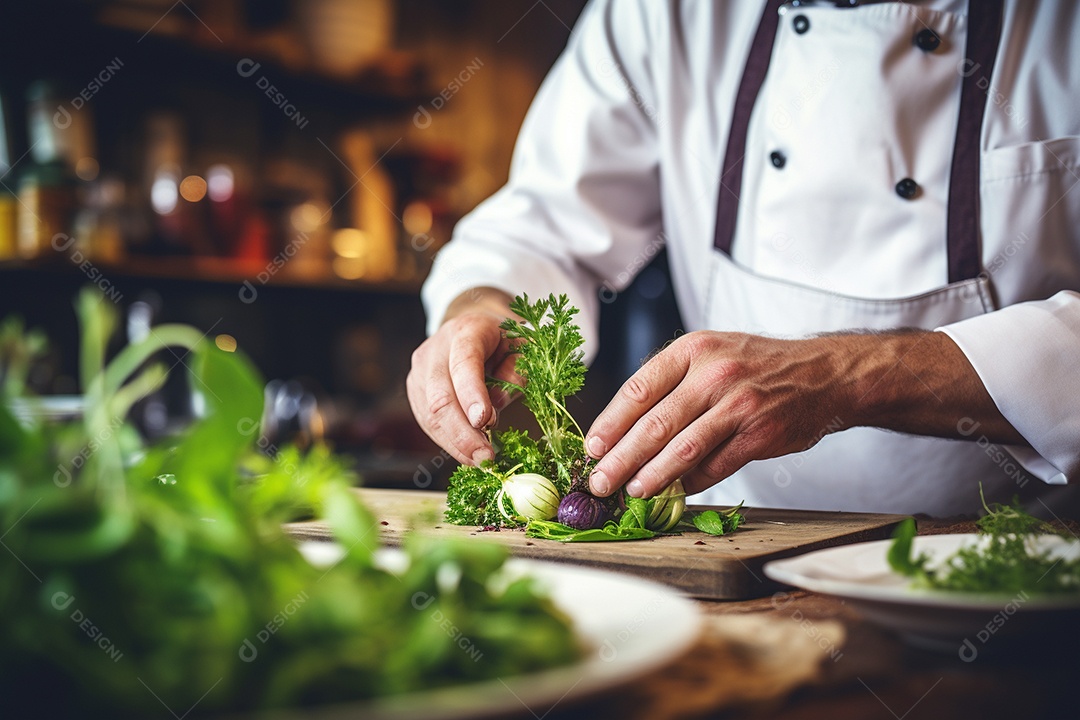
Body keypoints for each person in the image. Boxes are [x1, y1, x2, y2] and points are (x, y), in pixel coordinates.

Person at [407, 0, 1080, 516]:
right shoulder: (666, 14)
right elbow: (546, 223)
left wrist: (847, 376)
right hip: (734, 538)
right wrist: (483, 308)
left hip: (1025, 561)